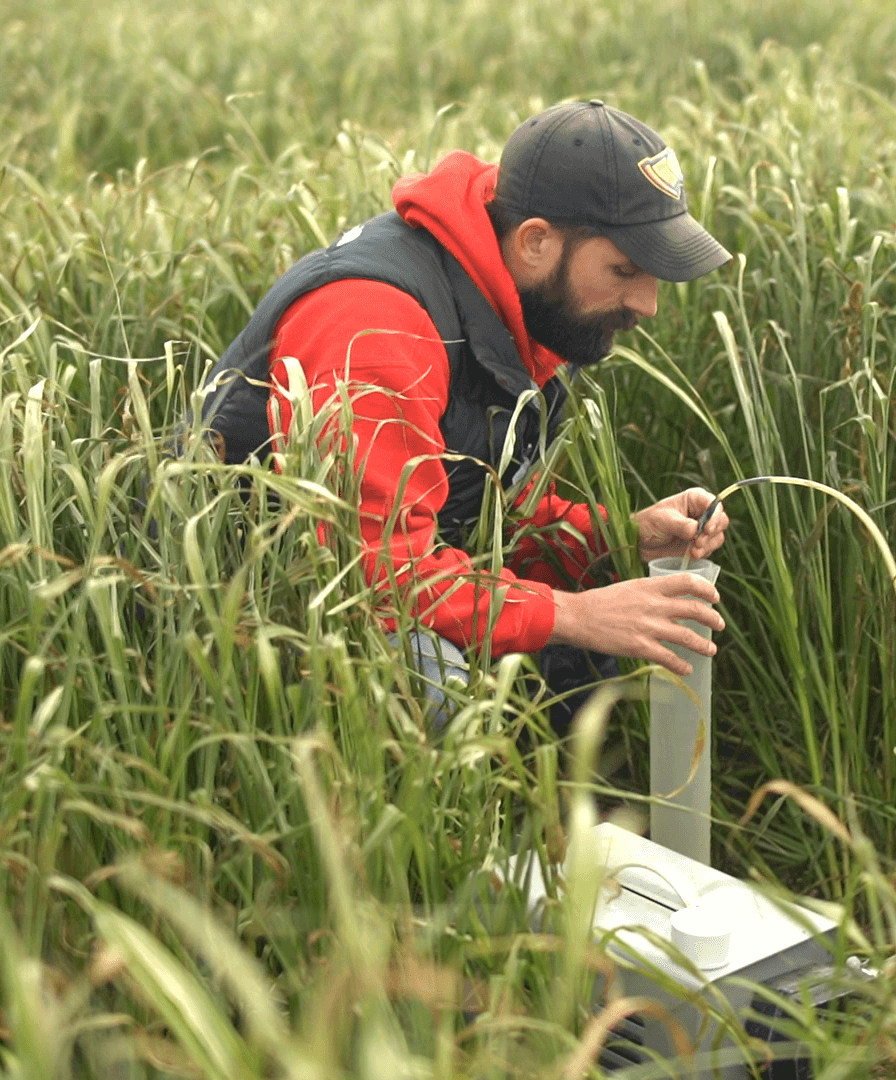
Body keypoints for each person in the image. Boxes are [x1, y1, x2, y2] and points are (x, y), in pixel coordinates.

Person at [198, 100, 734, 725]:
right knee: (435, 680)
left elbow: (489, 506)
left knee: (579, 641)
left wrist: (617, 538)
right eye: (625, 270)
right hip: (252, 609)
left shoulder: (516, 300)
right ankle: (416, 823)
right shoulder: (378, 325)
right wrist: (573, 615)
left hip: (370, 569)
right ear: (536, 241)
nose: (648, 304)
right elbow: (374, 578)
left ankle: (554, 817)